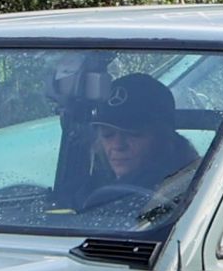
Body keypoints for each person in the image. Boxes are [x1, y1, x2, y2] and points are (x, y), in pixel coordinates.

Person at [85, 74, 201, 202]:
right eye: (107, 135)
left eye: (133, 134)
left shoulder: (193, 188)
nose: (118, 145)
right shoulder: (91, 185)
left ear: (165, 137)